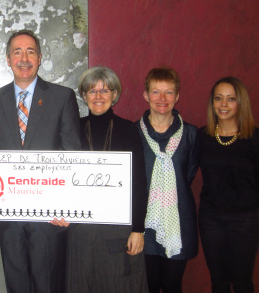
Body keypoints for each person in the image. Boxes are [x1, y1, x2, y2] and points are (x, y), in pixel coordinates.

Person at [0, 29, 81, 293]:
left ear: (40, 57)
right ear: (7, 58)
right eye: (17, 52)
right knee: (16, 286)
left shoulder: (62, 97)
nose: (24, 58)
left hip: (49, 217)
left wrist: (68, 207)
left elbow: (73, 154)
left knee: (48, 285)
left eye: (30, 51)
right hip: (8, 216)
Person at [62, 66, 148, 292]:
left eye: (104, 90)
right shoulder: (72, 129)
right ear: (83, 95)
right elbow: (60, 178)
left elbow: (139, 183)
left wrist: (138, 229)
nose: (98, 97)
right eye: (92, 91)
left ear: (114, 95)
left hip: (117, 229)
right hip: (80, 228)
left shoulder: (128, 130)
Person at [137, 68, 199, 293]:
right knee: (149, 286)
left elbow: (188, 175)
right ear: (146, 95)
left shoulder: (191, 134)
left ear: (177, 96)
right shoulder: (134, 133)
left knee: (173, 286)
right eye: (156, 92)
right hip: (145, 225)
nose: (162, 99)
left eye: (168, 92)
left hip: (178, 223)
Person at [198, 77, 259, 293]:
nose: (223, 105)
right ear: (212, 103)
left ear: (240, 103)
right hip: (210, 219)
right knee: (219, 281)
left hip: (245, 219)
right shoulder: (202, 137)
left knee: (242, 282)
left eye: (231, 99)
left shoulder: (253, 138)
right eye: (218, 98)